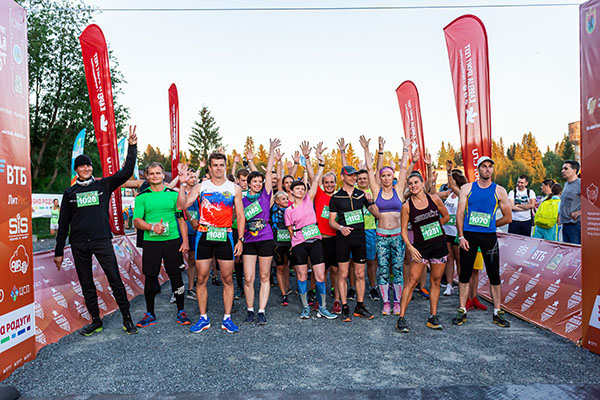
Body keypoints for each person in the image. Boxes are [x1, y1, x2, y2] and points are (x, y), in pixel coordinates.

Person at [54, 126, 138, 336]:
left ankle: (127, 319)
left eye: (88, 166)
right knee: (86, 283)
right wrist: (58, 251)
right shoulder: (70, 193)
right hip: (79, 244)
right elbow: (64, 223)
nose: (86, 169)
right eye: (81, 166)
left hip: (101, 241)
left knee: (114, 279)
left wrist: (132, 146)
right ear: (76, 170)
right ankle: (95, 321)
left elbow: (126, 172)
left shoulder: (104, 185)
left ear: (92, 168)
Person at [177, 153, 245, 334]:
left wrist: (241, 239)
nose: (218, 168)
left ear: (225, 165)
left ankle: (227, 318)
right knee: (202, 277)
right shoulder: (201, 186)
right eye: (215, 165)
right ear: (209, 167)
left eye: (221, 165)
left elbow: (240, 215)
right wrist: (182, 184)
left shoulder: (234, 188)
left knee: (228, 278)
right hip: (204, 235)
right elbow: (182, 206)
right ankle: (203, 318)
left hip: (226, 235)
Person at [453, 156, 512, 328]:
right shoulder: (467, 188)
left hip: (489, 237)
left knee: (494, 275)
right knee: (464, 274)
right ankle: (462, 310)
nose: (487, 169)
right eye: (484, 166)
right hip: (469, 236)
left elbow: (508, 217)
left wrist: (491, 225)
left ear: (493, 170)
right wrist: (461, 236)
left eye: (490, 167)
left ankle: (497, 312)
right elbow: (460, 214)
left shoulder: (499, 190)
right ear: (477, 169)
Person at [133, 162, 191, 328]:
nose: (155, 176)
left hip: (172, 241)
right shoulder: (142, 197)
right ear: (147, 176)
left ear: (163, 175)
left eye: (158, 173)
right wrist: (152, 227)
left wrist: (185, 241)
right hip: (151, 242)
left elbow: (181, 218)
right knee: (150, 278)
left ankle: (181, 311)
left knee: (176, 276)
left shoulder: (172, 195)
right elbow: (136, 221)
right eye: (152, 174)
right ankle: (150, 313)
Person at [285, 143, 337, 320]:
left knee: (320, 275)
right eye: (297, 188)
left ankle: (322, 307)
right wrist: (295, 241)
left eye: (302, 188)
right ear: (291, 192)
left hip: (315, 241)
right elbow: (290, 229)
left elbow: (315, 181)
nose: (300, 190)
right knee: (301, 275)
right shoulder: (288, 210)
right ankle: (305, 307)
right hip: (299, 243)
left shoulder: (309, 200)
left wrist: (319, 163)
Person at [360, 135, 410, 315]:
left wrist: (405, 148)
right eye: (384, 176)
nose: (386, 178)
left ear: (393, 177)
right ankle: (386, 303)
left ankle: (397, 301)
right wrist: (367, 149)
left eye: (389, 175)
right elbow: (369, 167)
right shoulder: (376, 190)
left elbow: (404, 168)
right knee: (382, 269)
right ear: (380, 178)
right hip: (381, 235)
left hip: (397, 236)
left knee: (397, 268)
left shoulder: (398, 190)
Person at [395, 172, 450, 332]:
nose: (413, 186)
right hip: (420, 249)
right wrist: (410, 248)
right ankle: (401, 318)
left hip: (439, 246)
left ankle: (433, 316)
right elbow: (403, 231)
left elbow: (446, 216)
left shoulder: (434, 199)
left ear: (422, 183)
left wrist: (434, 227)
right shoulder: (406, 206)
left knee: (436, 281)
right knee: (411, 282)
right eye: (410, 183)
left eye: (416, 182)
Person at [328, 164, 380, 322]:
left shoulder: (361, 195)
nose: (354, 178)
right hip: (343, 238)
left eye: (355, 175)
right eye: (350, 175)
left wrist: (370, 201)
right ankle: (344, 307)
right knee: (343, 274)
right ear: (343, 176)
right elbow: (331, 221)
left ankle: (360, 305)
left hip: (359, 238)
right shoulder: (336, 197)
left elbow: (377, 214)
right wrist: (341, 227)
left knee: (359, 274)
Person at [241, 139, 279, 325]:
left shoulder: (266, 195)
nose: (257, 184)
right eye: (254, 181)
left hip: (265, 238)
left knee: (264, 276)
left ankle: (261, 310)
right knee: (248, 277)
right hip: (248, 240)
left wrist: (271, 150)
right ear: (248, 183)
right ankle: (250, 310)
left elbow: (270, 170)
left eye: (259, 181)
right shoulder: (242, 200)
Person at [183, 168, 200, 301]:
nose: (193, 179)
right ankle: (176, 289)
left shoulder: (200, 192)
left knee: (193, 260)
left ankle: (190, 288)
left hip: (196, 230)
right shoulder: (180, 192)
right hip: (182, 230)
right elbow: (169, 187)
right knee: (178, 261)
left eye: (195, 177)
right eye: (191, 177)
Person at [559, 160, 581, 244]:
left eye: (565, 169)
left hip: (575, 225)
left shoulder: (580, 184)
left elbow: (592, 202)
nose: (562, 171)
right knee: (567, 252)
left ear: (574, 171)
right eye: (562, 169)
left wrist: (580, 212)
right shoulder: (566, 184)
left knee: (576, 253)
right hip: (565, 224)